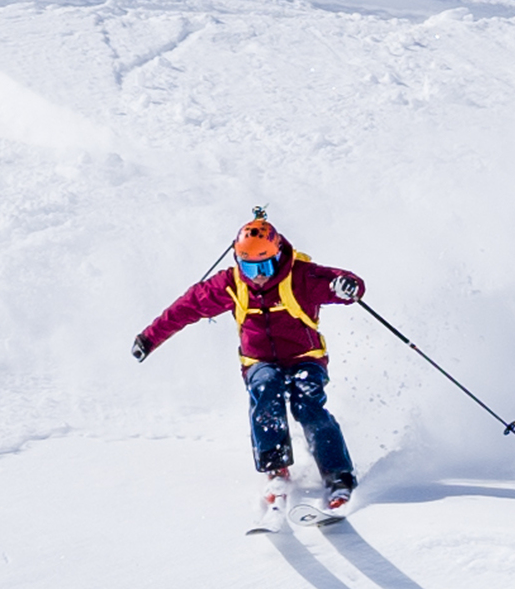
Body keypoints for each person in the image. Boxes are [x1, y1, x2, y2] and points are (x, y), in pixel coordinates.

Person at [132, 215, 366, 524]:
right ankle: (276, 468)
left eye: (265, 267)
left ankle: (338, 475)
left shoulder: (301, 277)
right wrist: (149, 338)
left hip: (305, 357)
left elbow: (341, 284)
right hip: (259, 362)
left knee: (307, 404)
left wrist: (347, 286)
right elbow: (185, 308)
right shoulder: (230, 285)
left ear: (278, 255)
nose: (257, 277)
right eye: (250, 267)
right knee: (265, 389)